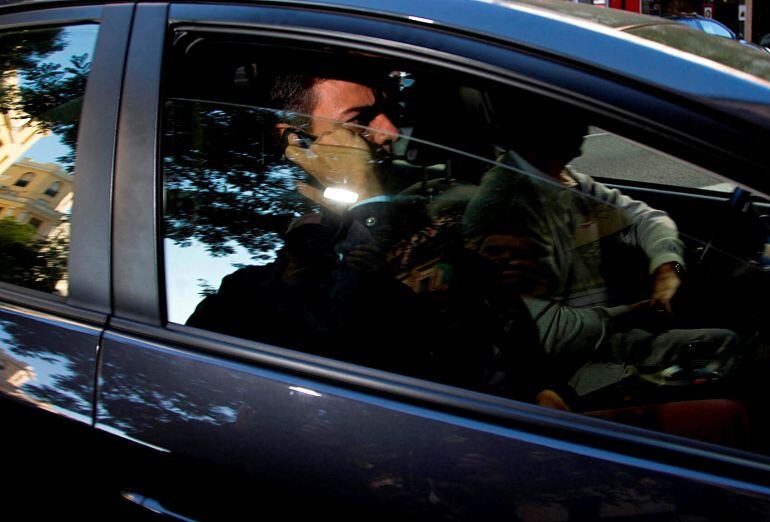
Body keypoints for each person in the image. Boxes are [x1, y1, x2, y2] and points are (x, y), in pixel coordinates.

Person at [187, 67, 571, 408]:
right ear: (296, 141)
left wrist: (546, 393)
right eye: (361, 119)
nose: (389, 132)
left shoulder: (431, 215)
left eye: (389, 113)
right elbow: (401, 341)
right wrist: (367, 199)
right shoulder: (250, 286)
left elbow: (492, 332)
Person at [463, 101, 740, 405]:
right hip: (570, 374)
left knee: (724, 344)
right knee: (723, 356)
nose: (585, 126)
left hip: (608, 344)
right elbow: (548, 334)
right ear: (535, 128)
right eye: (571, 116)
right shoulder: (505, 207)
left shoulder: (567, 181)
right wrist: (633, 313)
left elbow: (646, 219)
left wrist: (666, 268)